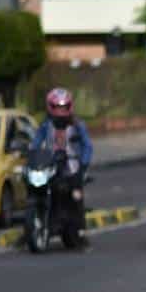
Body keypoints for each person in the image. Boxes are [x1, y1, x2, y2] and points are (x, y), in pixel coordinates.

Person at [31, 88, 93, 243]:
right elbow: (36, 144)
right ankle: (38, 223)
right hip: (50, 166)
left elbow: (87, 146)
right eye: (57, 107)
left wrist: (83, 164)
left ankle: (80, 230)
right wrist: (31, 156)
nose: (60, 111)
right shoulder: (46, 126)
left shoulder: (77, 125)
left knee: (76, 195)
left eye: (63, 107)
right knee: (37, 189)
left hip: (72, 167)